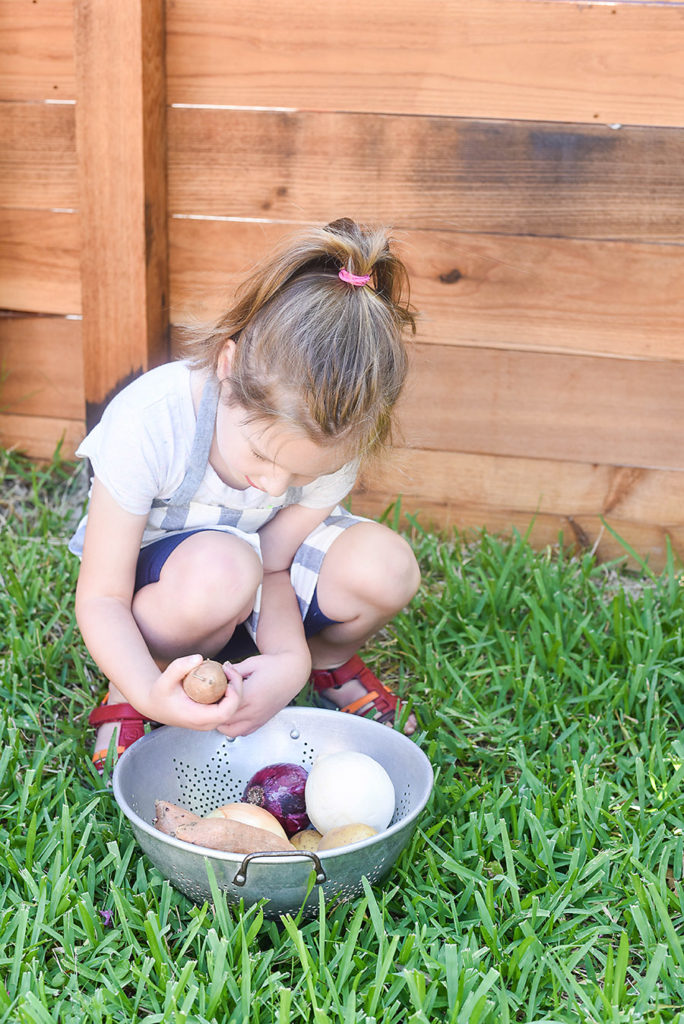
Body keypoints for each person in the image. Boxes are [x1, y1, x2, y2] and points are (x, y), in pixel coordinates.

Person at [69, 218, 421, 770]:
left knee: (386, 567)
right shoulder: (151, 422)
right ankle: (144, 680)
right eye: (262, 455)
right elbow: (101, 597)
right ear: (227, 368)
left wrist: (290, 662)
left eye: (302, 475)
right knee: (224, 568)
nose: (276, 486)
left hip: (255, 577)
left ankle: (329, 662)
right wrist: (141, 687)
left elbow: (275, 563)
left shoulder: (337, 433)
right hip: (170, 588)